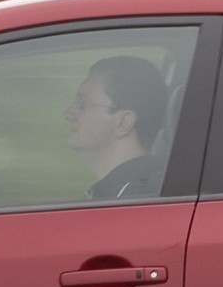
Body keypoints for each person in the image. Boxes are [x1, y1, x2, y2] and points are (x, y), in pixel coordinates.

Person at [64, 55, 170, 200]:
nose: (68, 113)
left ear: (123, 122)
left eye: (82, 103)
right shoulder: (122, 192)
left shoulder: (131, 201)